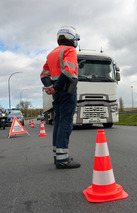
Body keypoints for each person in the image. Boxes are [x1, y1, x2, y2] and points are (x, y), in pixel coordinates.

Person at [40, 26, 81, 169]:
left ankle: (57, 156)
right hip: (67, 90)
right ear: (71, 37)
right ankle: (63, 159)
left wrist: (51, 87)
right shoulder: (70, 50)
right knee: (66, 122)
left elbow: (43, 75)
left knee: (58, 122)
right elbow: (69, 70)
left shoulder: (52, 53)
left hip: (57, 93)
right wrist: (56, 87)